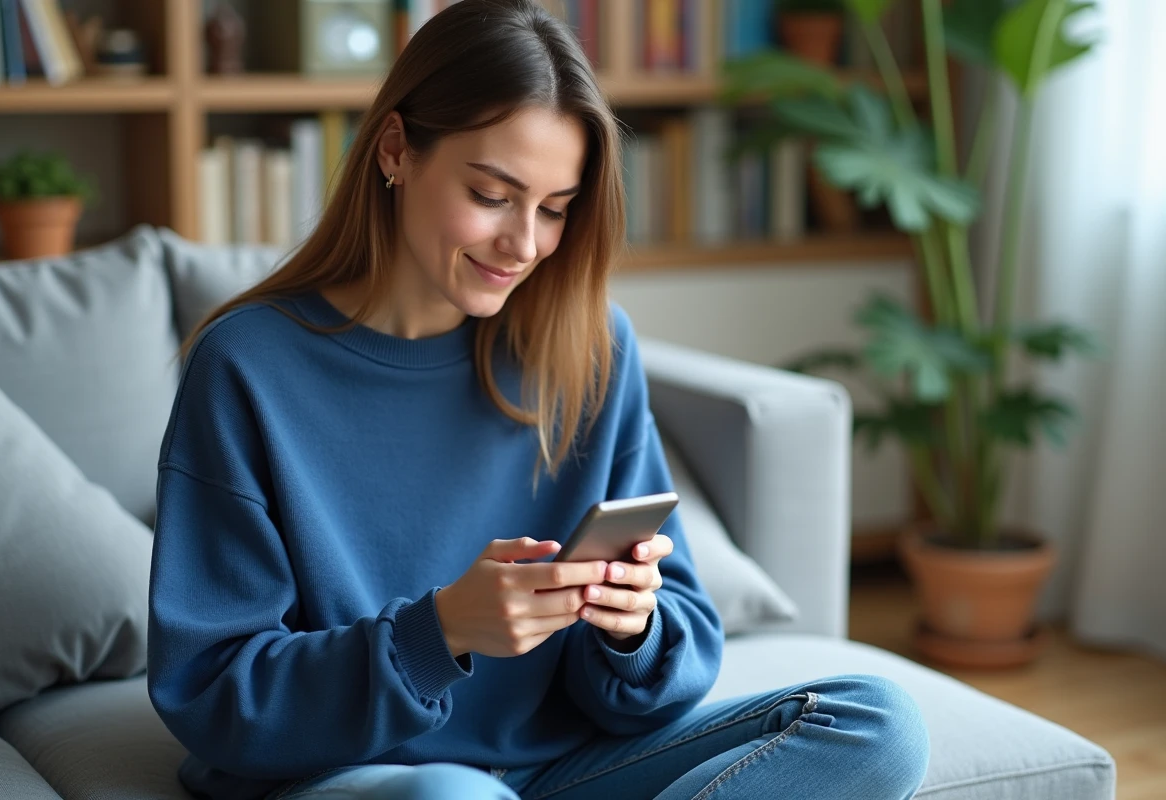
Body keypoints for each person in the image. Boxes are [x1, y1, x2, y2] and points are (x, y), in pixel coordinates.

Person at [147, 1, 931, 797]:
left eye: (555, 209)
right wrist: (438, 632)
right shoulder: (248, 365)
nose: (525, 245)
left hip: (562, 770)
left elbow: (681, 643)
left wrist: (633, 630)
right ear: (395, 151)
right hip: (365, 778)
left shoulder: (590, 351)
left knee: (875, 725)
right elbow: (211, 690)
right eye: (492, 195)